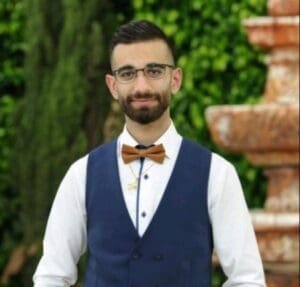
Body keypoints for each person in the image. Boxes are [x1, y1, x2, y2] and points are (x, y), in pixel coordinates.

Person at [33, 20, 266, 287]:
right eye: (128, 73)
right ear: (112, 85)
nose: (141, 86)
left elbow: (247, 279)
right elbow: (52, 275)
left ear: (175, 79)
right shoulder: (82, 174)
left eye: (154, 70)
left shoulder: (217, 174)